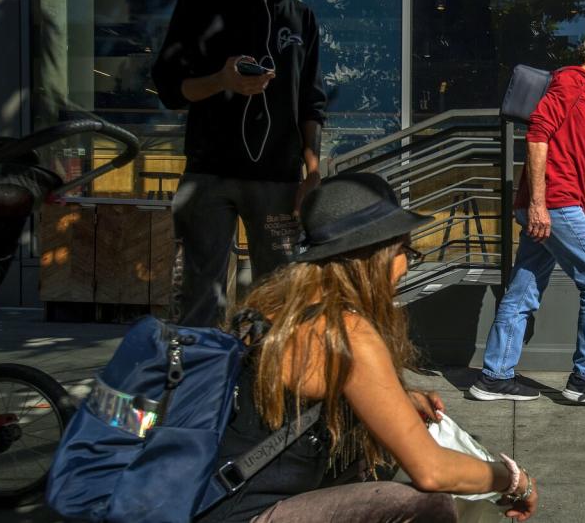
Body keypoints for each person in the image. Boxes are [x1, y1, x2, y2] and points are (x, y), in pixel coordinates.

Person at [197, 172, 539, 523]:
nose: (407, 266)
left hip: (214, 502)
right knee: (427, 505)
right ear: (376, 255)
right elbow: (431, 470)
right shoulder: (346, 333)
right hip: (249, 516)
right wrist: (512, 479)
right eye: (405, 250)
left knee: (380, 459)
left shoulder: (275, 309)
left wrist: (398, 400)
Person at [151, 0, 326, 327]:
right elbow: (171, 90)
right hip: (209, 174)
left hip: (278, 180)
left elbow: (311, 101)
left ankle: (268, 386)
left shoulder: (302, 19)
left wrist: (314, 169)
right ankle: (202, 383)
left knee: (281, 291)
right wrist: (221, 81)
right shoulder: (200, 3)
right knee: (201, 292)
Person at [469, 18, 585, 404]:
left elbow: (577, 167)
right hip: (555, 205)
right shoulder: (571, 83)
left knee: (524, 288)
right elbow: (537, 134)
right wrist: (540, 204)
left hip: (559, 202)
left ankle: (493, 376)